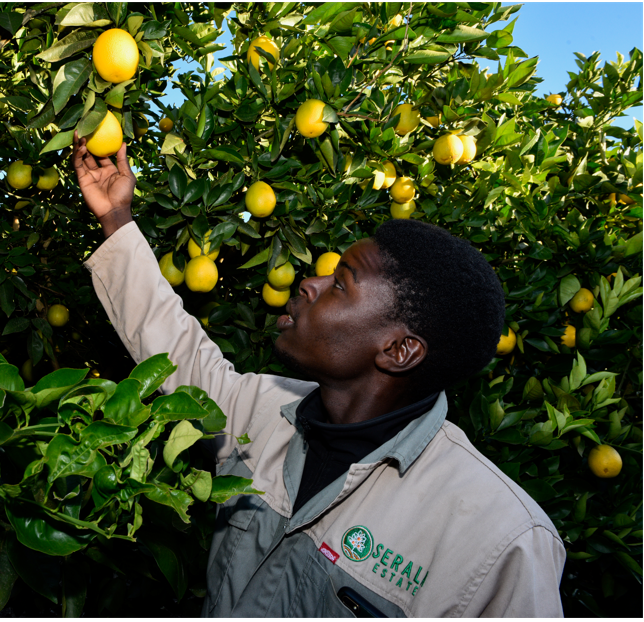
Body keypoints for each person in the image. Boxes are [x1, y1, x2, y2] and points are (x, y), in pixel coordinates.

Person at [72, 133, 566, 617]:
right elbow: (177, 351)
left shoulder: (501, 541)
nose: (309, 282)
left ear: (398, 350)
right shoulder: (265, 414)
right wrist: (117, 218)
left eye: (342, 283)